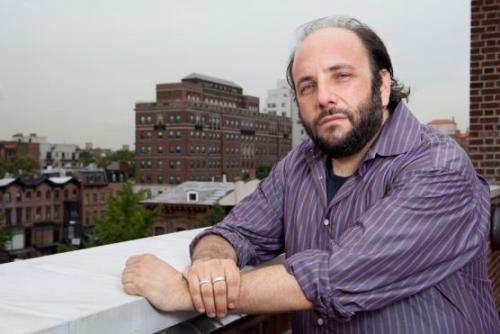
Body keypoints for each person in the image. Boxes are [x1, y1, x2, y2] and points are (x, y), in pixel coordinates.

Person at [122, 16, 500, 333]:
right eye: (308, 86)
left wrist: (185, 292)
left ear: (382, 85)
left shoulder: (439, 168)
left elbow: (338, 275)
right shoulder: (298, 165)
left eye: (341, 76)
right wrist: (209, 263)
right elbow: (235, 231)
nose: (323, 97)